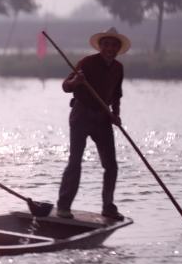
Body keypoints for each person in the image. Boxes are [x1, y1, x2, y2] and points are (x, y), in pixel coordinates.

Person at [56, 27, 131, 221]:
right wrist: (77, 82)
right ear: (100, 46)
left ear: (117, 49)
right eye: (106, 44)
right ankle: (64, 206)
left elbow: (116, 95)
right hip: (81, 116)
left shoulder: (118, 68)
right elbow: (66, 86)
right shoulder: (87, 63)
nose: (110, 48)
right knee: (75, 162)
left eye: (114, 45)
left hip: (102, 118)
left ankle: (108, 206)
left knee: (111, 166)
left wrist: (116, 114)